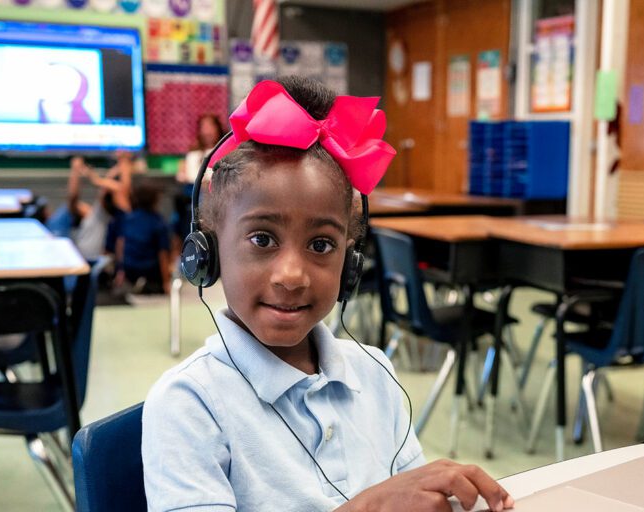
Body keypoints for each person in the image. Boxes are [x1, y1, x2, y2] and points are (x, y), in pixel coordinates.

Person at [142, 76, 515, 512]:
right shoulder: (189, 403)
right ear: (208, 251)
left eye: (321, 245)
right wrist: (367, 507)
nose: (292, 275)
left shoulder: (375, 374)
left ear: (350, 264)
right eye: (262, 239)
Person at [48, 151, 134, 260]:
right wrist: (76, 171)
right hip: (82, 261)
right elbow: (73, 199)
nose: (102, 190)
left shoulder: (110, 214)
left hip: (92, 263)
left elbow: (122, 189)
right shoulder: (95, 213)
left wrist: (97, 179)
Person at [173, 113, 228, 248]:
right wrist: (182, 173)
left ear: (217, 128)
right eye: (203, 127)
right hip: (191, 194)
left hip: (214, 194)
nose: (206, 131)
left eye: (210, 126)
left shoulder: (224, 148)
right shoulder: (193, 151)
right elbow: (183, 172)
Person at [116, 180, 172, 294]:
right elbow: (163, 255)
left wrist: (120, 269)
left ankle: (136, 283)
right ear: (154, 200)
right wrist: (166, 282)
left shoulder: (128, 219)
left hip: (129, 268)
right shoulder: (158, 222)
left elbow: (120, 245)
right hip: (149, 270)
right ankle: (147, 284)